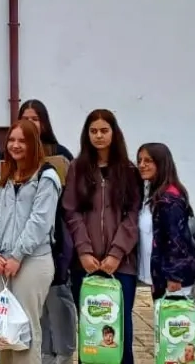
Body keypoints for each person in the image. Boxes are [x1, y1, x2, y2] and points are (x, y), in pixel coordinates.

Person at [62, 109, 142, 364]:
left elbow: (133, 215)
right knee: (92, 329)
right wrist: (84, 251)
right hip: (86, 265)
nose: (99, 136)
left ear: (114, 133)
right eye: (93, 131)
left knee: (121, 328)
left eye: (104, 131)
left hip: (121, 265)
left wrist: (116, 253)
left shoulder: (128, 170)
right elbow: (70, 211)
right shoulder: (77, 168)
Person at [0, 120, 61, 364]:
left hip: (33, 261)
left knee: (25, 328)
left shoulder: (46, 176)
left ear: (33, 144)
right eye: (11, 140)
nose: (15, 145)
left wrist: (17, 256)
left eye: (22, 141)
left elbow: (40, 222)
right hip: (1, 262)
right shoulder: (7, 175)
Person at [18, 100, 75, 364]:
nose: (31, 123)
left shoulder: (60, 155)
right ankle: (43, 354)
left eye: (36, 118)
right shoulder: (16, 155)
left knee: (58, 297)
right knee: (36, 300)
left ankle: (64, 353)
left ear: (45, 122)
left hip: (57, 236)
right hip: (26, 239)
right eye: (25, 118)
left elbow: (73, 199)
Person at [136, 143, 195, 301]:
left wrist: (174, 276)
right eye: (140, 160)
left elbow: (176, 240)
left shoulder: (170, 199)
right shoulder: (153, 195)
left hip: (174, 283)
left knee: (173, 324)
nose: (142, 165)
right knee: (163, 324)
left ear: (161, 163)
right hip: (161, 278)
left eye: (148, 161)